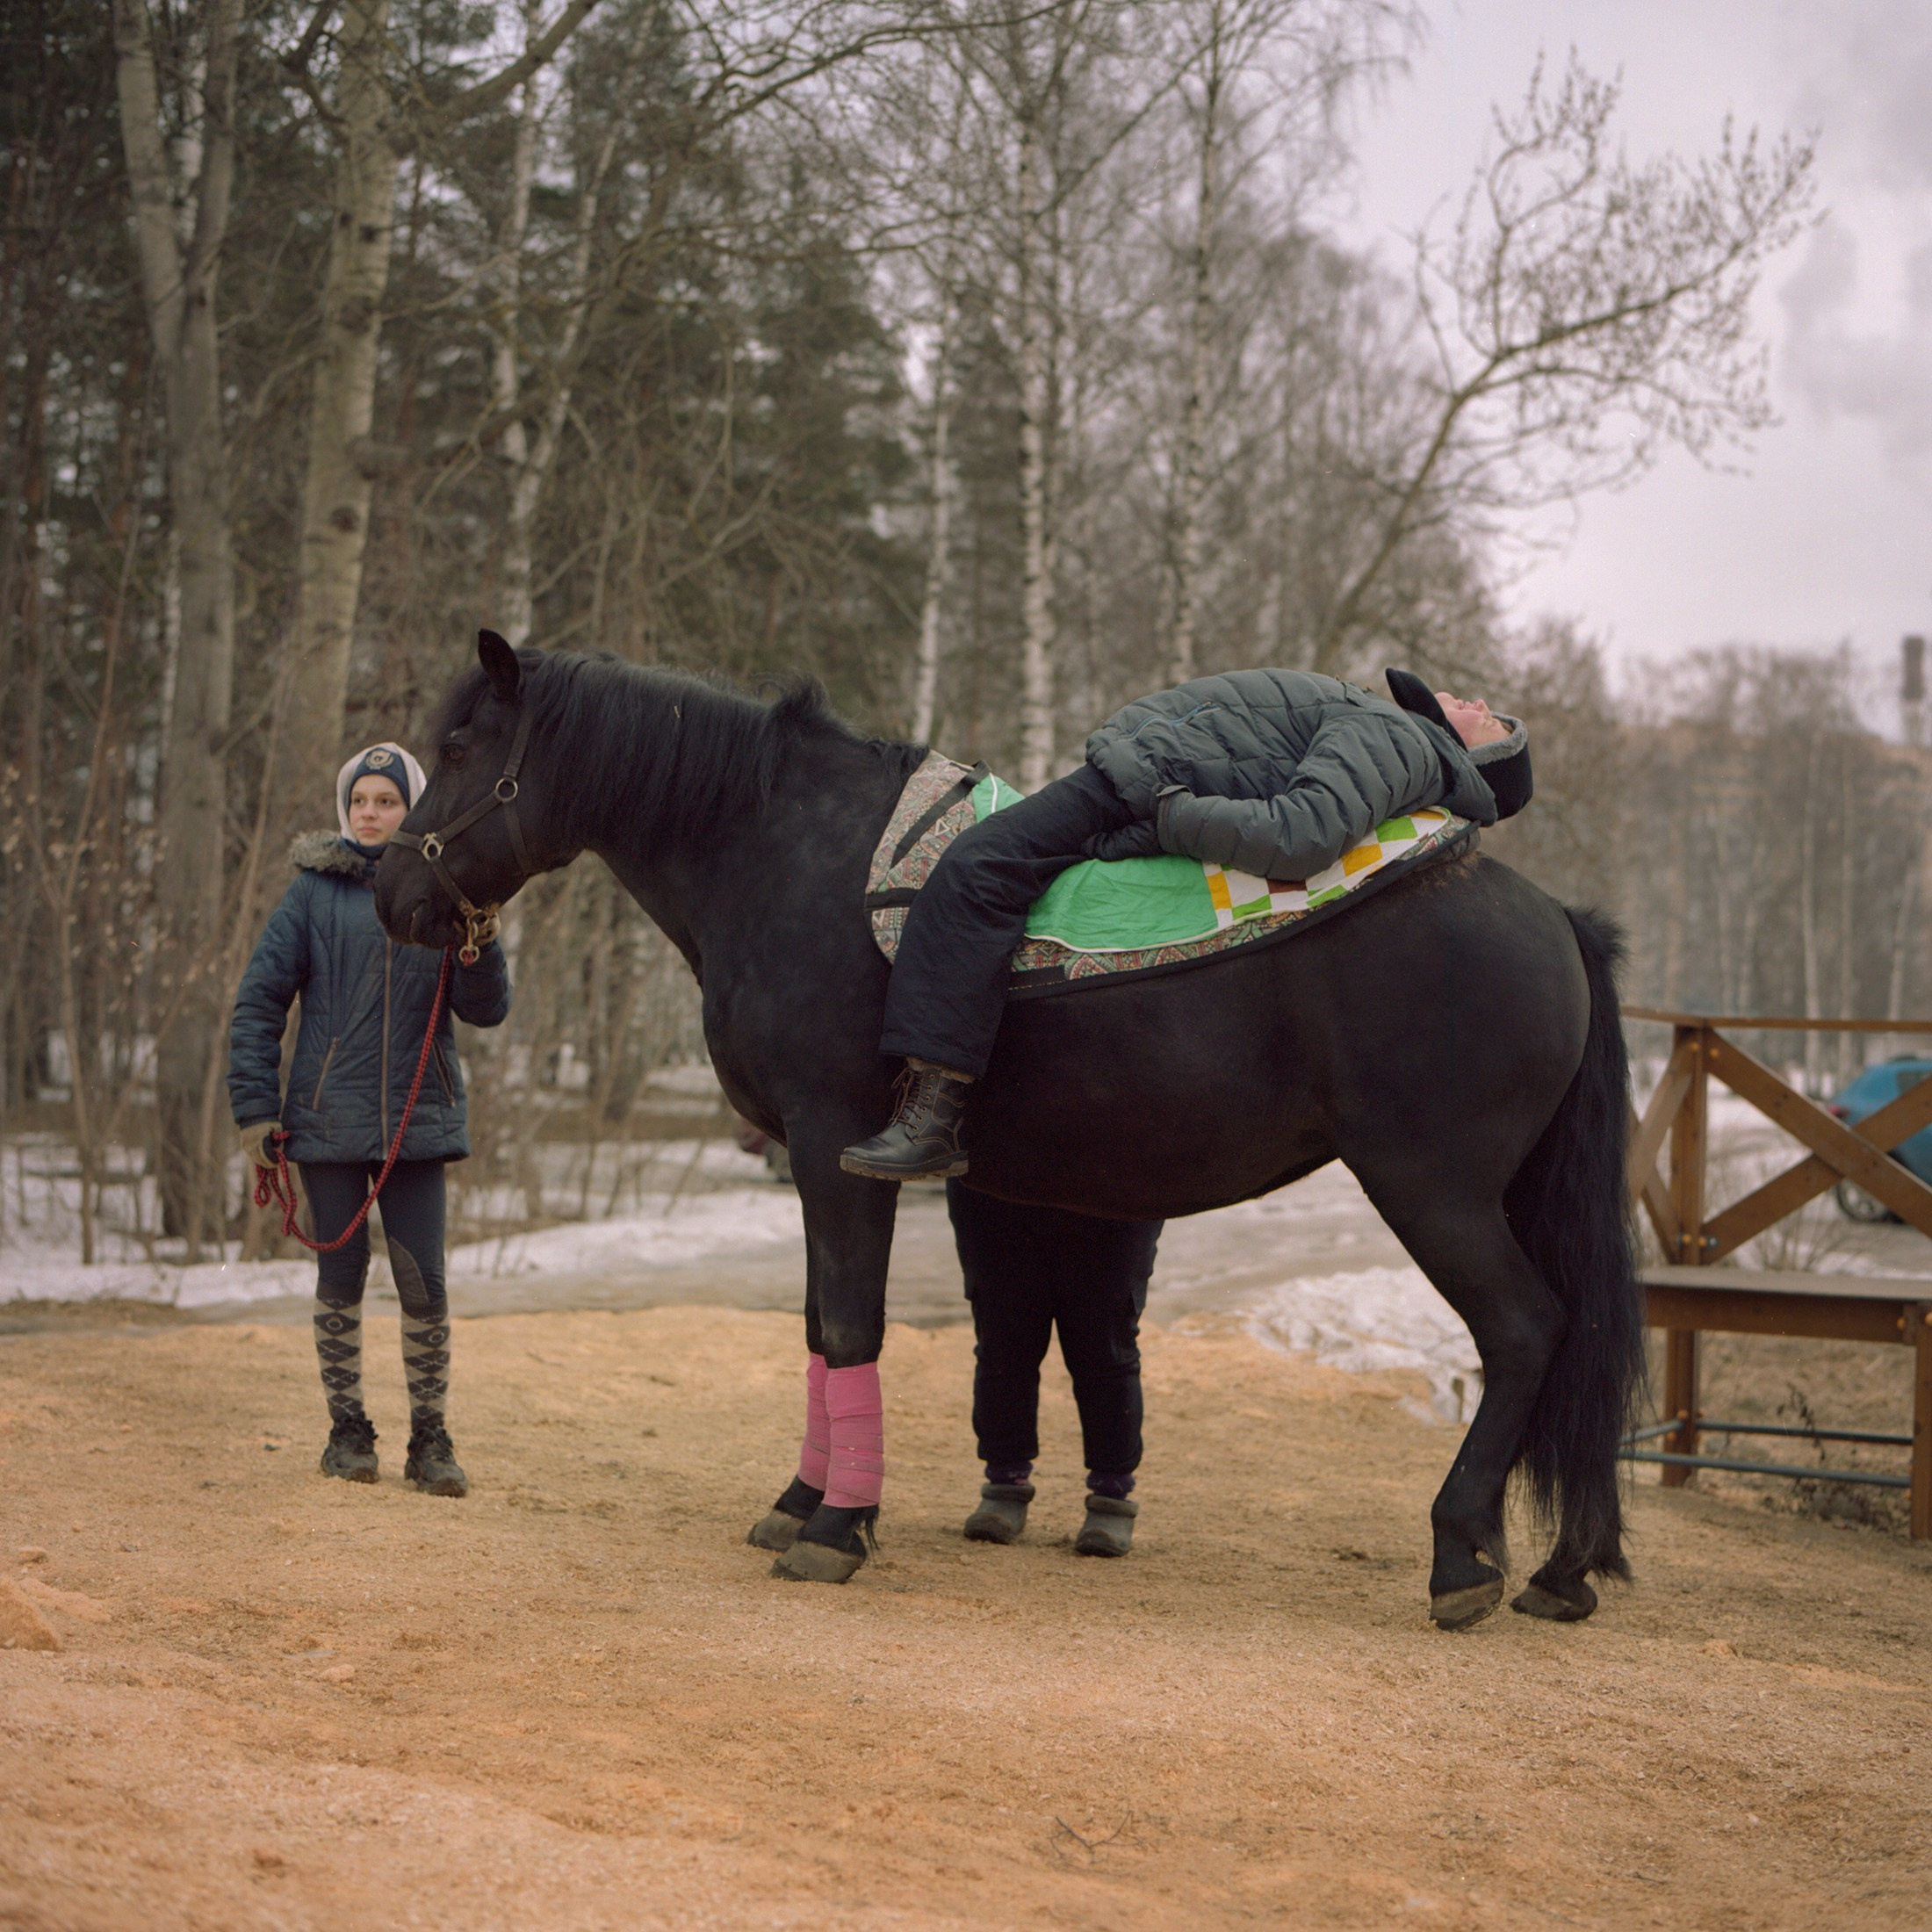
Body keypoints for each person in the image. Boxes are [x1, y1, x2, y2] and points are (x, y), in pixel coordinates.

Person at [842, 668, 1532, 1179]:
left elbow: (1301, 833)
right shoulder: (1397, 733)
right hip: (1142, 780)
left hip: (1138, 786)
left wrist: (1167, 812)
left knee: (974, 871)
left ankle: (931, 1116)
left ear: (1477, 758)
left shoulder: (1402, 740)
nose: (1478, 700)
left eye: (1493, 721)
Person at [227, 743, 511, 1495]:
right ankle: (347, 1432)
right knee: (340, 1276)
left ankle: (430, 1439)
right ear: (345, 811)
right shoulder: (311, 895)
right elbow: (258, 1003)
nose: (372, 813)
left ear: (411, 808)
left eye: (387, 801)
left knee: (425, 1285)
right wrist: (255, 1111)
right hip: (325, 1123)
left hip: (418, 1125)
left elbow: (486, 1012)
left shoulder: (445, 893)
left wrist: (483, 940)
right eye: (361, 802)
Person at [947, 1181, 1162, 1557]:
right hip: (997, 1178)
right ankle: (1005, 1484)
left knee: (1106, 1343)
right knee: (1004, 1340)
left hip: (1115, 1176)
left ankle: (1111, 1495)